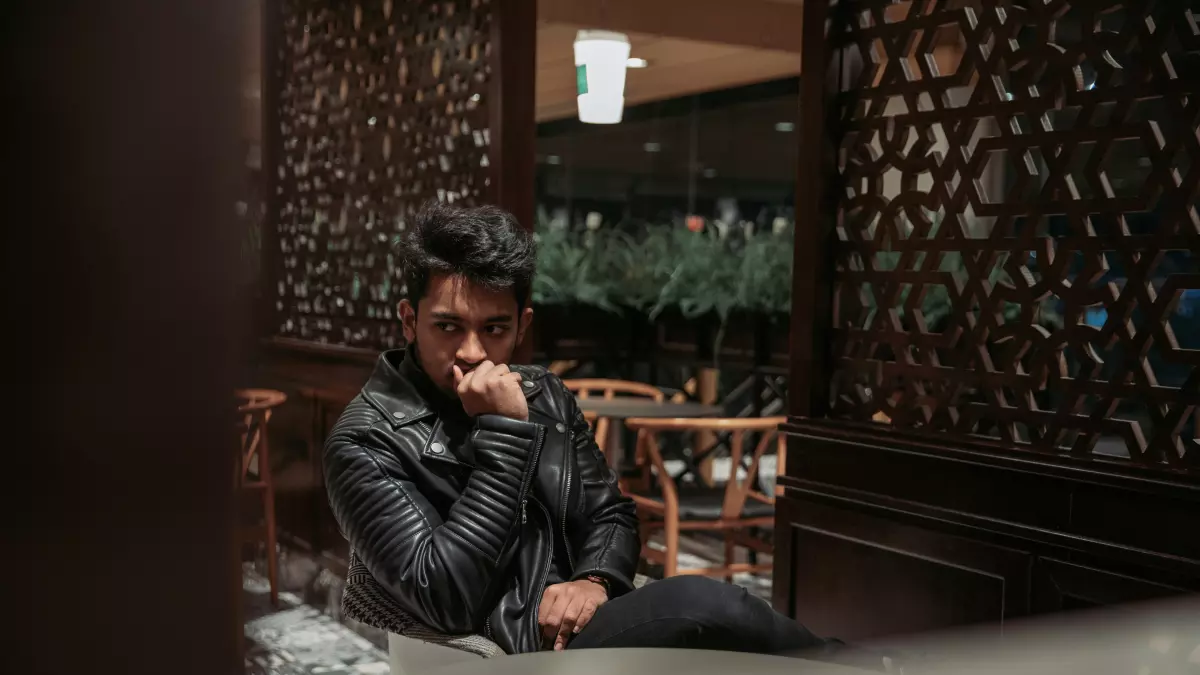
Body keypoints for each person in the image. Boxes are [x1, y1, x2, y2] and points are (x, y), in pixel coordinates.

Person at [323, 203, 834, 657]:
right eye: (448, 326)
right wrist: (504, 431)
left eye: (494, 329)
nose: (473, 352)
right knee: (702, 603)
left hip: (580, 621)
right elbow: (446, 600)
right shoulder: (364, 440)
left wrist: (594, 580)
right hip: (513, 645)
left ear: (523, 326)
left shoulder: (544, 393)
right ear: (409, 321)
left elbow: (611, 512)